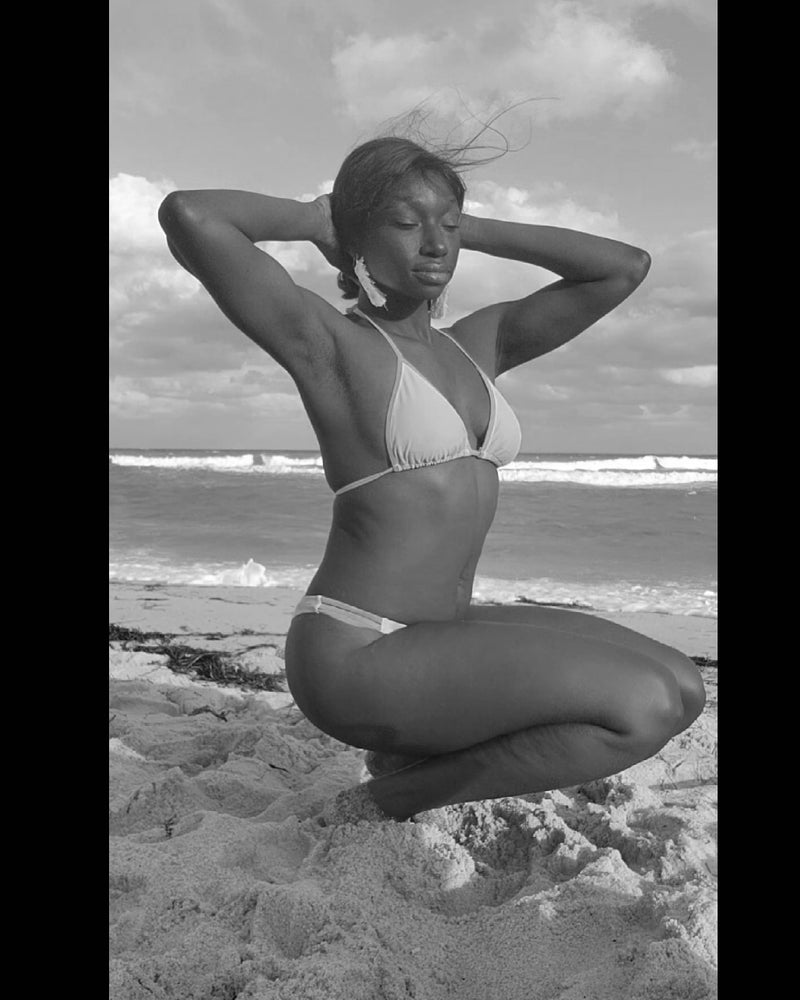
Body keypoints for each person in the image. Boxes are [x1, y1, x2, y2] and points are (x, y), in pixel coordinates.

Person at [158, 134, 705, 824]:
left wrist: (466, 224)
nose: (435, 244)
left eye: (446, 225)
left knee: (684, 688)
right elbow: (192, 215)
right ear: (358, 236)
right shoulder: (330, 344)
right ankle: (387, 800)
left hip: (444, 629)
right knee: (641, 707)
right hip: (360, 648)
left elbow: (623, 268)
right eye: (405, 223)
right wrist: (320, 220)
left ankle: (409, 760)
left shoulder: (479, 344)